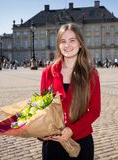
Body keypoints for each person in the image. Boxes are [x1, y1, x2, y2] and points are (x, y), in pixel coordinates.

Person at [40, 23, 101, 160]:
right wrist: (40, 130)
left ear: (80, 44)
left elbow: (95, 110)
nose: (67, 45)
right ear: (58, 45)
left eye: (72, 40)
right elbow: (44, 107)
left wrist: (72, 129)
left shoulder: (91, 74)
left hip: (81, 142)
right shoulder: (47, 73)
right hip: (53, 143)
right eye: (63, 41)